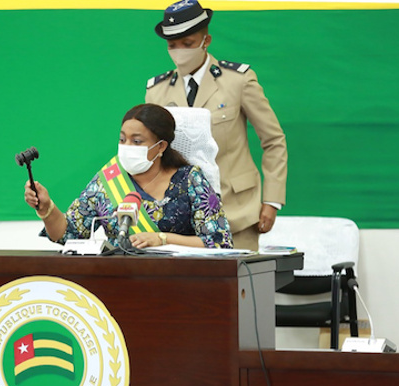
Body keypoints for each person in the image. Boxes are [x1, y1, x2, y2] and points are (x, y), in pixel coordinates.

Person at [145, 0, 288, 251]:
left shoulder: (238, 81)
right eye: (172, 45)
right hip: (180, 220)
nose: (179, 51)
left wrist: (272, 200)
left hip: (237, 212)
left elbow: (274, 141)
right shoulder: (156, 92)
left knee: (239, 287)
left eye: (187, 44)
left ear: (206, 41)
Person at [24, 103, 233, 249]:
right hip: (121, 282)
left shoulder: (190, 180)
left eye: (137, 141)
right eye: (122, 139)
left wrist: (162, 239)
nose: (126, 147)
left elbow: (218, 242)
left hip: (183, 283)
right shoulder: (107, 181)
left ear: (160, 147)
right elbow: (68, 234)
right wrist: (47, 209)